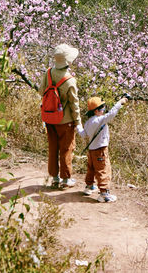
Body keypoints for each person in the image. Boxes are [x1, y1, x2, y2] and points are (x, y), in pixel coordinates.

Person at [40, 43, 83, 188]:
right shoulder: (70, 80)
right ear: (68, 61)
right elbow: (74, 104)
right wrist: (78, 122)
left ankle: (55, 178)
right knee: (66, 149)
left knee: (53, 148)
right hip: (65, 121)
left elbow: (41, 91)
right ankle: (66, 179)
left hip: (49, 118)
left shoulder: (48, 73)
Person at [78, 95, 128, 202]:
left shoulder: (88, 123)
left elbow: (82, 134)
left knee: (91, 169)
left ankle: (89, 186)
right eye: (102, 108)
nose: (103, 110)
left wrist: (77, 124)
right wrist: (120, 102)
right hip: (100, 149)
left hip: (91, 150)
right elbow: (112, 114)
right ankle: (104, 194)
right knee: (103, 169)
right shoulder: (100, 120)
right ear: (96, 111)